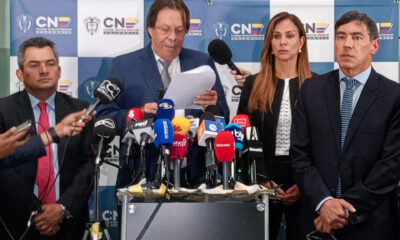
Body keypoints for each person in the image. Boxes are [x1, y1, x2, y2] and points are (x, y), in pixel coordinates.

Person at [97, 0, 229, 190]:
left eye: (179, 30)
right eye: (165, 29)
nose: (172, 37)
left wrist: (214, 107)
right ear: (150, 29)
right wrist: (139, 114)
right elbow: (105, 117)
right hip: (141, 177)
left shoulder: (202, 62)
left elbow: (223, 116)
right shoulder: (124, 65)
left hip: (195, 178)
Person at [291, 11, 400, 240]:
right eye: (341, 37)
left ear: (374, 45)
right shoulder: (311, 90)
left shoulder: (394, 96)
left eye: (357, 37)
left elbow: (391, 164)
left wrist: (341, 209)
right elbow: (300, 154)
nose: (347, 44)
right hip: (316, 220)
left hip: (371, 223)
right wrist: (324, 202)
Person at [0, 37, 95, 240]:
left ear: (59, 71)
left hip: (68, 223)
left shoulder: (80, 109)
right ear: (20, 74)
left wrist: (61, 208)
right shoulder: (3, 110)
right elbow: (3, 166)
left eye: (50, 64)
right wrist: (36, 212)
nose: (44, 70)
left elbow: (89, 166)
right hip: (17, 224)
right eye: (34, 65)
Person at [236, 12, 312, 240]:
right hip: (262, 178)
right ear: (270, 43)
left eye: (290, 36)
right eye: (276, 36)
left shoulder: (317, 86)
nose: (283, 42)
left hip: (304, 180)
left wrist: (304, 184)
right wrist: (261, 178)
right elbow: (244, 134)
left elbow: (322, 141)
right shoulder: (253, 85)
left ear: (300, 42)